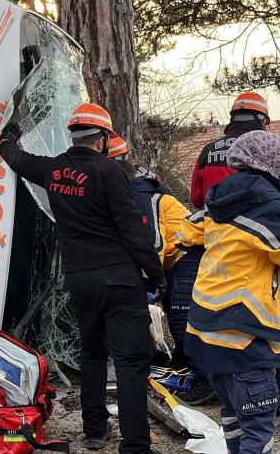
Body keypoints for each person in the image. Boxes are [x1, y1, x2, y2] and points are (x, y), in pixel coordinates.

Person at [0, 104, 165, 454]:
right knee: (130, 362)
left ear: (73, 135)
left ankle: (95, 432)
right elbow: (131, 228)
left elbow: (17, 158)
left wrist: (8, 136)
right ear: (102, 139)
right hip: (119, 278)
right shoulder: (110, 171)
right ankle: (135, 445)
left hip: (80, 280)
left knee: (91, 353)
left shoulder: (54, 168)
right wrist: (156, 272)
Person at [190, 91, 280, 438]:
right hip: (263, 283)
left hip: (215, 283)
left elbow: (198, 204)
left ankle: (228, 400)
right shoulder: (272, 154)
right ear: (263, 119)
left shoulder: (208, 153)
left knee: (230, 387)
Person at [108, 133, 217, 405]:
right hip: (175, 258)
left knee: (183, 317)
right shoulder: (135, 189)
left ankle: (206, 380)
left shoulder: (141, 194)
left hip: (187, 254)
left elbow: (152, 242)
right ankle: (185, 360)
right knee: (174, 312)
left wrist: (147, 283)